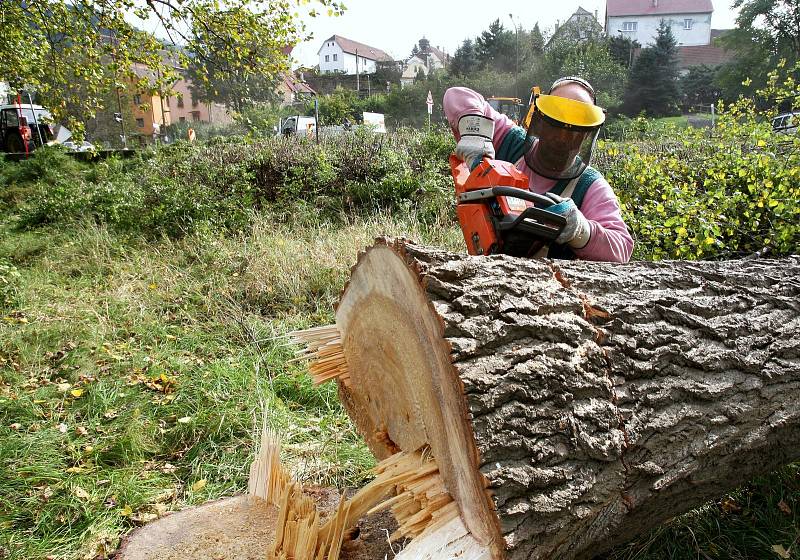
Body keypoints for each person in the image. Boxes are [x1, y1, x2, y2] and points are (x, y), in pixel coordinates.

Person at [444, 77, 633, 263]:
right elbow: (457, 95)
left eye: (573, 132)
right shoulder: (511, 142)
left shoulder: (590, 186)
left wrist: (581, 230)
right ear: (541, 122)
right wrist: (475, 134)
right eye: (555, 125)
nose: (561, 138)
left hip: (548, 289)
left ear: (585, 136)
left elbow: (621, 248)